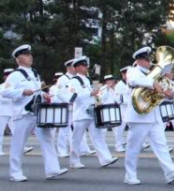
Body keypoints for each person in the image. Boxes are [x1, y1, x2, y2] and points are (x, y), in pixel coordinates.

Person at [123, 46, 174, 185]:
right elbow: (133, 81)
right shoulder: (133, 71)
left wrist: (169, 95)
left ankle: (170, 172)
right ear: (139, 60)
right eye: (147, 59)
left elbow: (160, 94)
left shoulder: (155, 74)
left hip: (154, 115)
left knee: (161, 145)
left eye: (150, 59)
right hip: (138, 116)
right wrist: (153, 82)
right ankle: (130, 175)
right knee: (134, 147)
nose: (150, 62)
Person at [4, 45, 68, 182]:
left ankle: (52, 169)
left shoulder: (35, 73)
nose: (30, 57)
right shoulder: (15, 75)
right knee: (19, 143)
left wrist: (43, 94)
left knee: (47, 139)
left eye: (30, 54)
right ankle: (15, 173)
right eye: (27, 55)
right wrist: (21, 92)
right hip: (23, 114)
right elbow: (4, 92)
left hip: (38, 112)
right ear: (19, 59)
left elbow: (37, 91)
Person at [64, 57, 118, 170]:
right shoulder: (74, 81)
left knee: (97, 136)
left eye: (86, 65)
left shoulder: (88, 80)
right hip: (80, 113)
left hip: (91, 112)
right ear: (77, 67)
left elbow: (93, 95)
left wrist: (98, 95)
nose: (86, 67)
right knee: (77, 138)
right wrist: (90, 93)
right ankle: (74, 161)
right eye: (84, 65)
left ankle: (105, 158)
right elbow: (72, 96)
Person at [113, 66, 130, 152]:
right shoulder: (119, 85)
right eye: (126, 73)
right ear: (123, 74)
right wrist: (126, 100)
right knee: (120, 129)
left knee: (133, 128)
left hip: (131, 109)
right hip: (123, 109)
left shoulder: (131, 83)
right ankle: (118, 145)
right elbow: (116, 98)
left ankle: (130, 144)